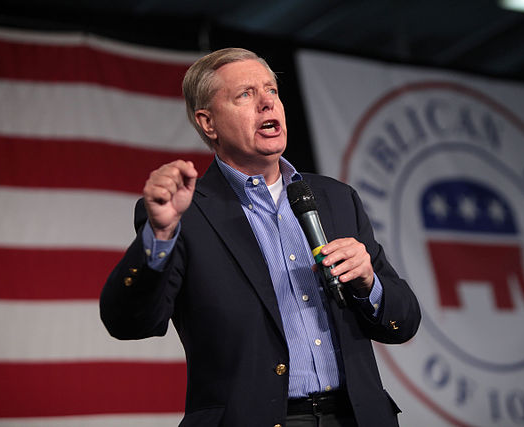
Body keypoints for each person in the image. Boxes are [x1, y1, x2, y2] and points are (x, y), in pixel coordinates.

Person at [100, 47, 421, 427]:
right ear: (208, 123)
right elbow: (128, 322)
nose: (267, 103)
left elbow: (404, 320)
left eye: (272, 90)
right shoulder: (186, 214)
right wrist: (160, 234)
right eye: (246, 95)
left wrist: (369, 282)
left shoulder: (336, 198)